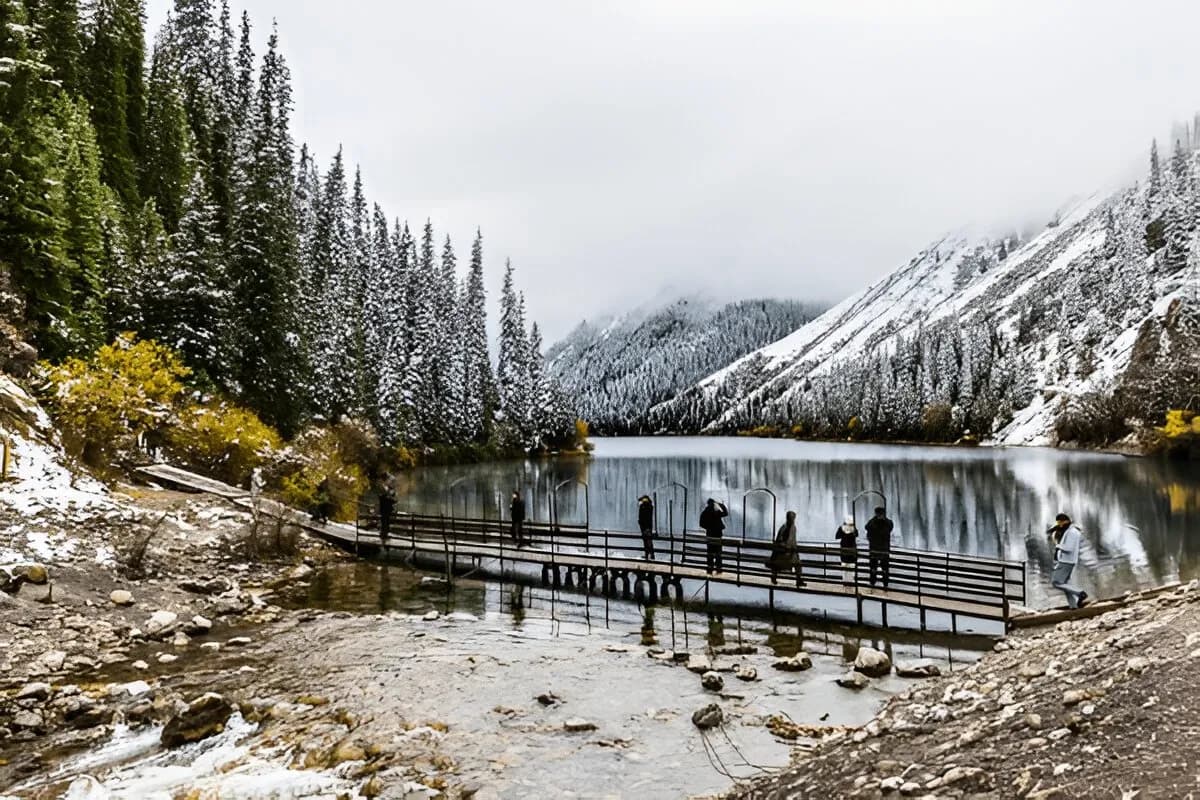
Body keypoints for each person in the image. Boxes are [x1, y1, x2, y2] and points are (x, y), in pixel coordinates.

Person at [1047, 513, 1088, 608]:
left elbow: (1069, 548)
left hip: (1066, 562)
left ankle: (1080, 593)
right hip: (1065, 561)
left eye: (1060, 523)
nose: (1059, 526)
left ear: (1066, 521)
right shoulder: (1068, 531)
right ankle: (1073, 606)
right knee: (1065, 585)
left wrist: (1057, 546)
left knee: (1056, 582)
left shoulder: (1072, 532)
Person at [766, 510, 805, 587]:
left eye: (793, 518)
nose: (793, 520)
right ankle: (798, 580)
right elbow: (780, 542)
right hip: (784, 555)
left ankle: (798, 580)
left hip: (788, 554)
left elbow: (791, 541)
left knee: (798, 563)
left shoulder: (791, 527)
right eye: (792, 518)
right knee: (797, 564)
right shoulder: (785, 528)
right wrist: (786, 546)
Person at [865, 506, 894, 588]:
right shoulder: (888, 523)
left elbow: (867, 527)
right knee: (884, 569)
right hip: (884, 550)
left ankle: (873, 583)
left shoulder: (872, 523)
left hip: (874, 550)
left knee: (874, 568)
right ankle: (885, 584)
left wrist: (875, 518)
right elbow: (891, 526)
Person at [699, 498, 728, 574]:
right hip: (718, 534)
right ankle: (719, 569)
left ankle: (709, 569)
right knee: (718, 552)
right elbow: (725, 513)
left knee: (710, 552)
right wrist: (720, 504)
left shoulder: (705, 512)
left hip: (710, 534)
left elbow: (701, 523)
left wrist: (708, 527)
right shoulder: (717, 511)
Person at [835, 516, 859, 584]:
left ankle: (846, 580)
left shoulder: (845, 528)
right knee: (849, 566)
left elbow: (837, 536)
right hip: (850, 549)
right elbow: (857, 535)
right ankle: (848, 580)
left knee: (847, 565)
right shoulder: (852, 528)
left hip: (846, 549)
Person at [378, 475, 396, 543]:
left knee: (385, 522)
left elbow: (391, 497)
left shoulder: (385, 492)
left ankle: (384, 534)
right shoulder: (384, 494)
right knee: (385, 522)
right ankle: (384, 534)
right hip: (385, 510)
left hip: (385, 510)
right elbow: (391, 499)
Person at [637, 495, 655, 560]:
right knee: (649, 541)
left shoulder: (643, 507)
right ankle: (650, 555)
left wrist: (640, 522)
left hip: (645, 527)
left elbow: (642, 517)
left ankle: (648, 555)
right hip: (648, 526)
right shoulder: (650, 506)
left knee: (646, 541)